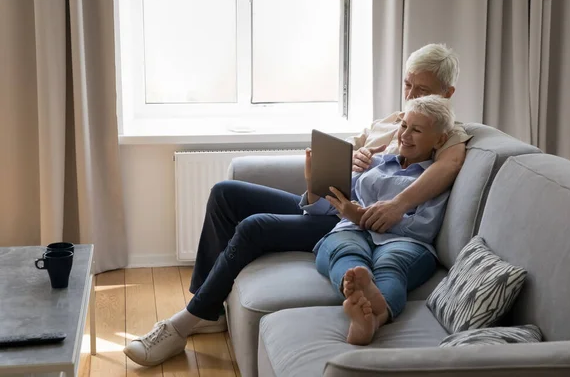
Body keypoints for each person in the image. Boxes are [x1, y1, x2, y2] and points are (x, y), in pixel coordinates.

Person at [123, 43, 470, 366]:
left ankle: (183, 323)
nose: (410, 96)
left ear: (447, 94)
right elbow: (352, 156)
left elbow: (449, 166)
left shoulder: (447, 132)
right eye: (407, 85)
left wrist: (396, 204)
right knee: (225, 193)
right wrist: (349, 160)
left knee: (256, 227)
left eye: (421, 91)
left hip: (351, 221)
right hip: (333, 203)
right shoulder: (394, 120)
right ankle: (209, 310)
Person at [303, 95, 454, 345]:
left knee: (391, 265)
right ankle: (365, 301)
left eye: (416, 130)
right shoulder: (376, 164)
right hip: (351, 232)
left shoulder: (433, 179)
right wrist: (312, 183)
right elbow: (328, 207)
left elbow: (423, 228)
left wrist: (361, 216)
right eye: (404, 125)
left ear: (440, 139)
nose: (405, 135)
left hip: (404, 241)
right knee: (344, 251)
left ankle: (373, 316)